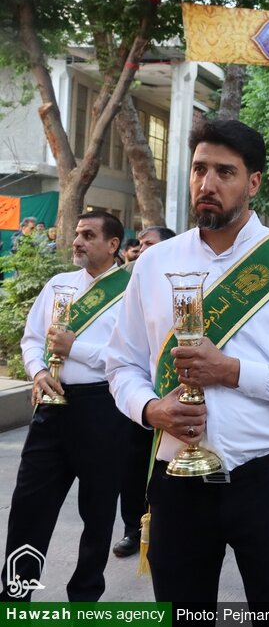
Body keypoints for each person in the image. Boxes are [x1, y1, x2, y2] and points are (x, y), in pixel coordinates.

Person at [105, 120, 269, 620]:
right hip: (176, 482)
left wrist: (231, 371)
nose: (207, 184)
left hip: (268, 481)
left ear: (253, 182)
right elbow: (121, 363)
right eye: (199, 169)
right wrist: (150, 408)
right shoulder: (153, 264)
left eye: (224, 172)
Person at [0, 211, 130, 602]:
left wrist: (77, 349)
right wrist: (38, 371)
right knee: (29, 505)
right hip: (51, 409)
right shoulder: (59, 285)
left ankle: (85, 598)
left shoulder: (130, 292)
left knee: (98, 510)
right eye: (76, 233)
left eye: (88, 235)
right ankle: (14, 594)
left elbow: (132, 357)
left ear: (112, 245)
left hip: (103, 410)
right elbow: (32, 337)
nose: (77, 240)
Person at [112, 224, 178, 559]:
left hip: (177, 400)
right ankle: (132, 527)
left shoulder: (175, 285)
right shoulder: (131, 284)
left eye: (149, 245)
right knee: (132, 467)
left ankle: (157, 525)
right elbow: (121, 354)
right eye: (138, 244)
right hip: (143, 400)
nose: (140, 250)